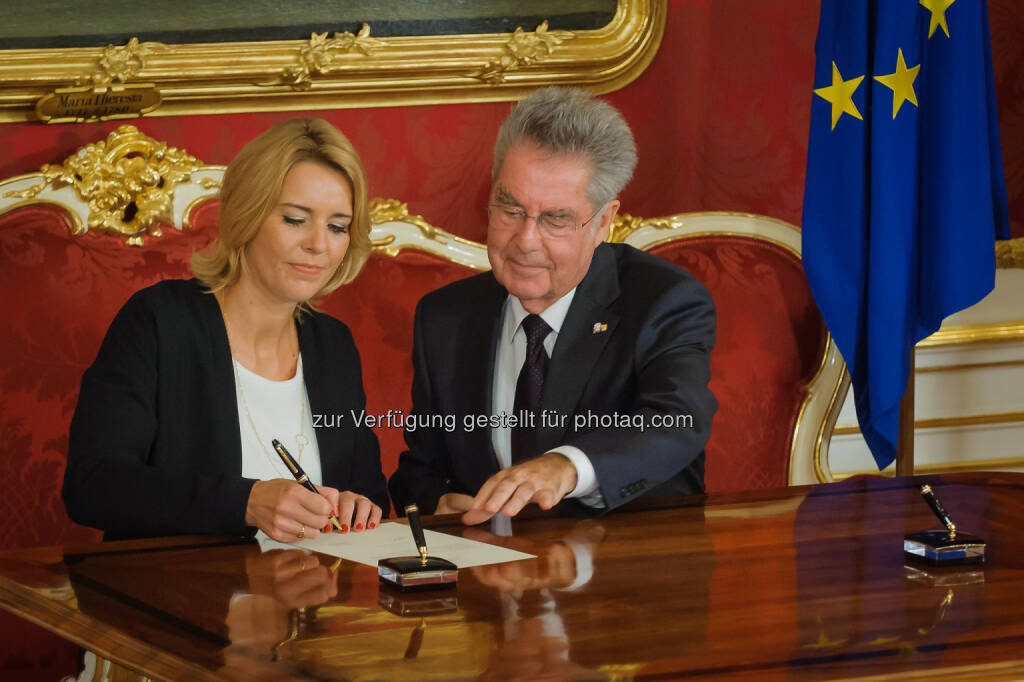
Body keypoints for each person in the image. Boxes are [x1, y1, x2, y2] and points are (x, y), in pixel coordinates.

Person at [389, 88, 717, 524]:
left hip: (628, 572)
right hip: (491, 580)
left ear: (602, 222)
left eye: (556, 219)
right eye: (510, 210)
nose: (525, 241)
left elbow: (676, 420)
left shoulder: (663, 301)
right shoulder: (445, 317)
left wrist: (566, 467)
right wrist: (438, 503)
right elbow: (419, 471)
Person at [63, 119, 387, 542]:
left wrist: (357, 504)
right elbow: (93, 486)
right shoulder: (159, 322)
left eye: (338, 226)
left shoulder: (333, 345)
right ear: (245, 215)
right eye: (294, 219)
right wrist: (246, 502)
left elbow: (369, 492)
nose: (318, 244)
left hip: (314, 599)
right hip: (184, 598)